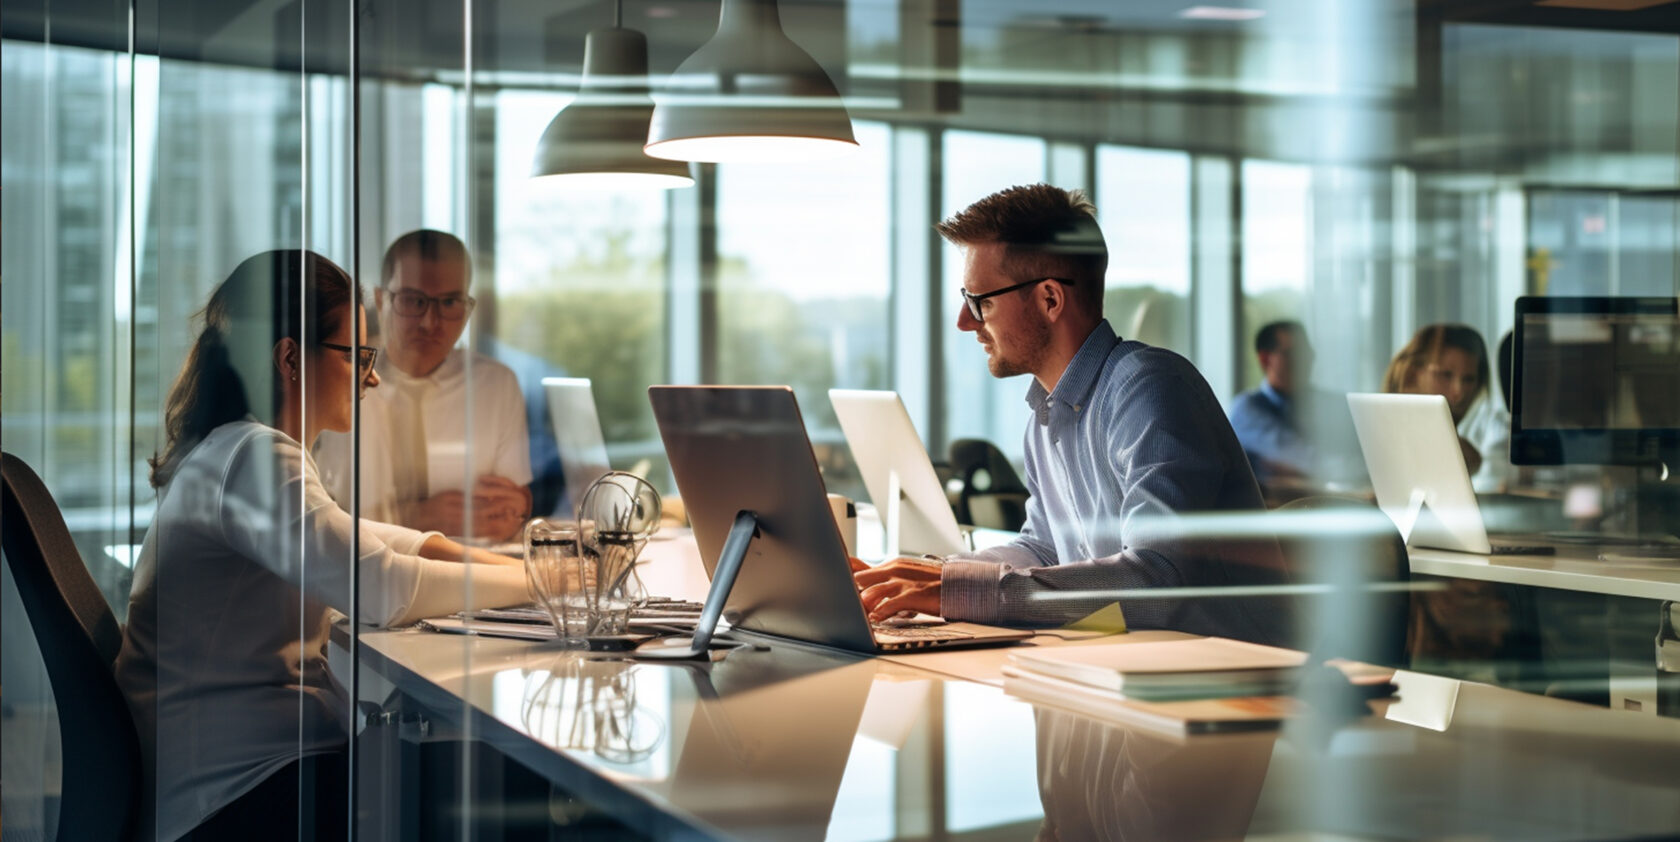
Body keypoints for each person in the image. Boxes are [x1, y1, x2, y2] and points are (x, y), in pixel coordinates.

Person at [113, 250, 531, 842]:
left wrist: (530, 566)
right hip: (233, 791)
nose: (373, 377)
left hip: (243, 766)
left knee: (482, 770)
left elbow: (387, 543)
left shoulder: (236, 451)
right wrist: (547, 587)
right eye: (358, 356)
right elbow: (381, 585)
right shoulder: (252, 455)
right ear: (289, 357)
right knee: (503, 777)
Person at [853, 184, 1289, 645]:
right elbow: (1043, 550)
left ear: (1049, 299)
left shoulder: (1149, 387)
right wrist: (924, 576)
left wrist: (957, 590)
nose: (965, 321)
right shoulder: (1046, 415)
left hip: (1234, 688)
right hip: (1135, 673)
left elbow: (1160, 577)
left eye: (981, 301)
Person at [315, 230, 533, 541]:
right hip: (363, 573)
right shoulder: (339, 375)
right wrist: (413, 518)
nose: (431, 322)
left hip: (470, 572)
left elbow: (514, 504)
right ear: (380, 299)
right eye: (413, 300)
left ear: (468, 307)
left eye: (450, 302)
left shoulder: (495, 384)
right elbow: (311, 516)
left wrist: (519, 508)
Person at [1227, 320, 1364, 486]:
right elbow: (1307, 461)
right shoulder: (1247, 409)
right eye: (1292, 353)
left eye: (1307, 353)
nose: (1304, 361)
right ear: (1265, 359)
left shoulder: (1333, 403)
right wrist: (1357, 467)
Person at [1382, 323, 1510, 492]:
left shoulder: (1492, 430)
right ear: (1412, 375)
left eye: (1469, 379)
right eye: (1445, 375)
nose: (1459, 391)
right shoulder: (1383, 431)